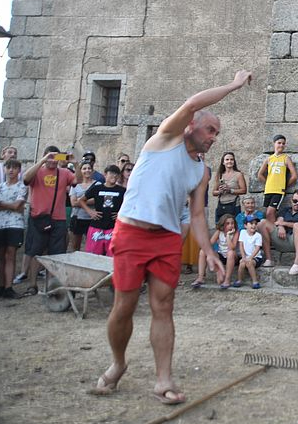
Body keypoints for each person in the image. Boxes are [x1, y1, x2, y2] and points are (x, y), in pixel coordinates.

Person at [92, 69, 251, 405]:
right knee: (124, 306)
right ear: (191, 125)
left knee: (164, 305)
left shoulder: (202, 170)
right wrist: (235, 85)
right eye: (210, 129)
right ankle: (118, 364)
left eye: (217, 133)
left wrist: (208, 251)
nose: (214, 137)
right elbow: (193, 103)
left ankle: (163, 379)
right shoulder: (165, 138)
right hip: (132, 231)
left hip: (165, 238)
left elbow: (196, 215)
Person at [20, 146, 77, 297]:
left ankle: (51, 286)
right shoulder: (37, 171)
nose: (53, 160)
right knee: (35, 252)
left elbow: (78, 180)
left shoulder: (64, 173)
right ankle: (32, 285)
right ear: (44, 156)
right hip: (38, 218)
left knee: (55, 255)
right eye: (50, 157)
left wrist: (75, 162)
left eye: (55, 157)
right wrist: (43, 160)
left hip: (58, 219)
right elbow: (25, 179)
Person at [261, 189, 298, 276]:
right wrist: (281, 226)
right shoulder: (285, 210)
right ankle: (269, 259)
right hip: (285, 239)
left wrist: (285, 223)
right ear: (291, 200)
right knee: (262, 223)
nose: (297, 203)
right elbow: (279, 220)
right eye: (295, 201)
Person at [0, 159, 27, 299]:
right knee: (1, 255)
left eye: (14, 168)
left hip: (15, 224)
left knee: (11, 254)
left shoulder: (22, 187)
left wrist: (0, 203)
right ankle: (1, 286)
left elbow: (17, 206)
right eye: (8, 167)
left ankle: (9, 287)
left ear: (19, 170)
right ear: (5, 169)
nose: (11, 170)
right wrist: (11, 205)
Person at [79, 165, 126, 257]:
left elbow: (130, 205)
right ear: (105, 174)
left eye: (117, 174)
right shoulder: (97, 188)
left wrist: (121, 214)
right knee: (93, 257)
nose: (114, 176)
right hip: (97, 226)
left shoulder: (122, 190)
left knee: (112, 258)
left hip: (113, 228)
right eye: (112, 173)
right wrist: (90, 211)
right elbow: (81, 200)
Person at [257, 134, 297, 227]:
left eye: (283, 143)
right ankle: (270, 232)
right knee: (267, 213)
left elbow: (294, 176)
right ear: (274, 144)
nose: (281, 145)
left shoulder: (286, 158)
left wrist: (285, 185)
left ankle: (273, 233)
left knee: (270, 212)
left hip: (278, 190)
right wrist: (267, 183)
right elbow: (260, 174)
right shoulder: (269, 159)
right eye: (279, 143)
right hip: (268, 190)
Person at [192, 214, 238, 289]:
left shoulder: (236, 233)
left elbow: (232, 247)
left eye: (232, 223)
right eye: (228, 223)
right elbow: (210, 244)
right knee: (203, 251)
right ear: (223, 225)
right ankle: (201, 277)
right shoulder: (219, 232)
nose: (230, 225)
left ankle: (227, 279)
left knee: (230, 253)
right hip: (221, 255)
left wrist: (228, 236)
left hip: (232, 256)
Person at [68, 160, 97, 252]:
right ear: (80, 171)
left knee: (91, 246)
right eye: (84, 168)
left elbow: (96, 200)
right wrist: (87, 201)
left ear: (92, 171)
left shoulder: (97, 184)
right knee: (75, 246)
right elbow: (73, 203)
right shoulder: (75, 185)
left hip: (91, 218)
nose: (87, 170)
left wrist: (80, 200)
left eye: (89, 168)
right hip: (77, 218)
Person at [212, 151, 246, 223]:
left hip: (234, 205)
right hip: (221, 205)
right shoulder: (219, 175)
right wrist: (220, 191)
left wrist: (230, 190)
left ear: (234, 161)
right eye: (227, 159)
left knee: (235, 226)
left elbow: (244, 190)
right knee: (220, 227)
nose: (229, 161)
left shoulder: (238, 175)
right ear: (223, 162)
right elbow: (213, 192)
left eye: (231, 159)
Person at [236, 215, 263, 289]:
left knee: (249, 263)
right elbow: (241, 245)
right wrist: (243, 256)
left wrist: (250, 257)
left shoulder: (258, 236)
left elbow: (257, 248)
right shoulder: (243, 232)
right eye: (251, 223)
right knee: (241, 263)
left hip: (256, 257)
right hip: (245, 256)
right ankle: (239, 280)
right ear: (245, 225)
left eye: (255, 223)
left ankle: (255, 281)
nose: (254, 225)